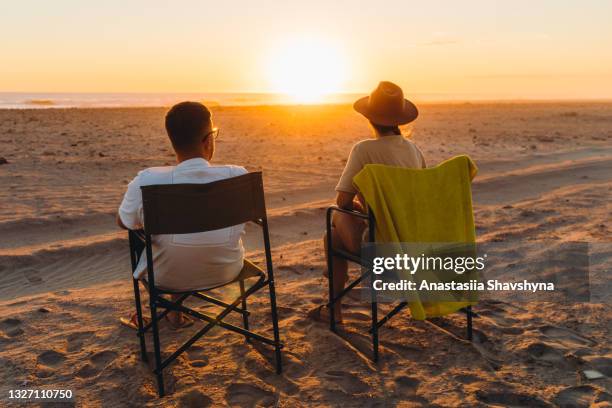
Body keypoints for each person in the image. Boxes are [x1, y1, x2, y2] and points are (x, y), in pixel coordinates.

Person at [117, 101, 247, 329]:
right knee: (194, 227)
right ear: (208, 140)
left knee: (148, 232)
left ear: (172, 140)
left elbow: (123, 222)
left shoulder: (147, 181)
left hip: (167, 277)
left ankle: (171, 312)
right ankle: (175, 314)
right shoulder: (236, 176)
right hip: (228, 269)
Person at [313, 81, 426, 324]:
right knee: (331, 238)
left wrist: (356, 207)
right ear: (400, 119)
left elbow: (342, 200)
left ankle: (333, 306)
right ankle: (332, 294)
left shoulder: (364, 150)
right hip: (415, 241)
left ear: (369, 118)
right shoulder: (414, 151)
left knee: (335, 222)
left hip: (382, 247)